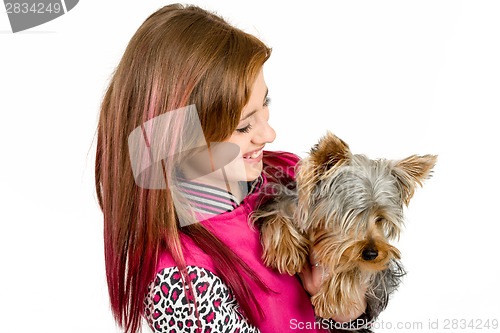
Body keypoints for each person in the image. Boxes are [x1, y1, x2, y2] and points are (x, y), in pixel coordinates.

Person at [94, 4, 368, 333]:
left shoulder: (289, 176)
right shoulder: (183, 284)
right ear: (176, 143)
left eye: (264, 104)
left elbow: (372, 268)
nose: (269, 134)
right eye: (242, 128)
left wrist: (351, 309)